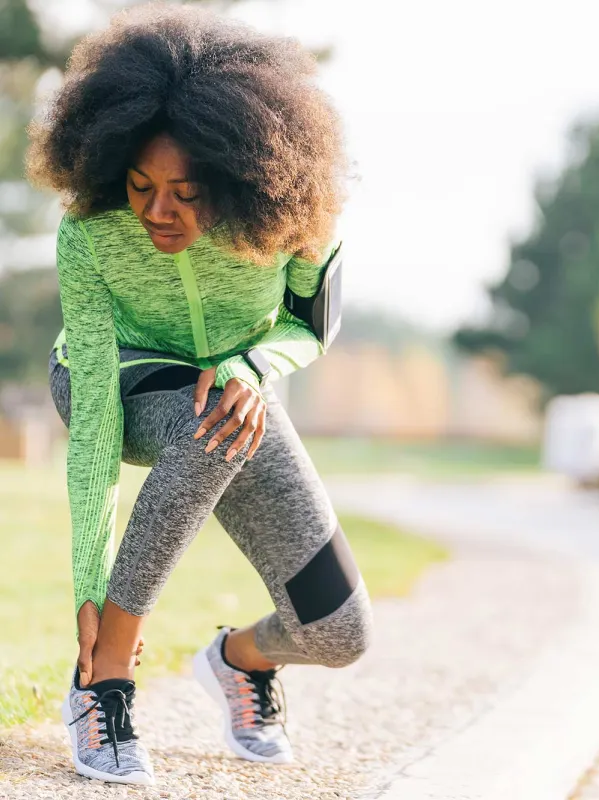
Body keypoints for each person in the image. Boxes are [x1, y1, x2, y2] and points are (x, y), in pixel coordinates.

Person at [25, 3, 373, 787]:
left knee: (339, 631)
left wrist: (255, 369)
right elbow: (93, 434)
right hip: (103, 378)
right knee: (204, 418)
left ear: (238, 177)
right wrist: (89, 587)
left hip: (234, 389)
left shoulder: (297, 220)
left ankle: (238, 662)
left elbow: (309, 327)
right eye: (141, 186)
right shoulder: (91, 231)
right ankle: (103, 679)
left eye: (185, 194)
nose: (156, 213)